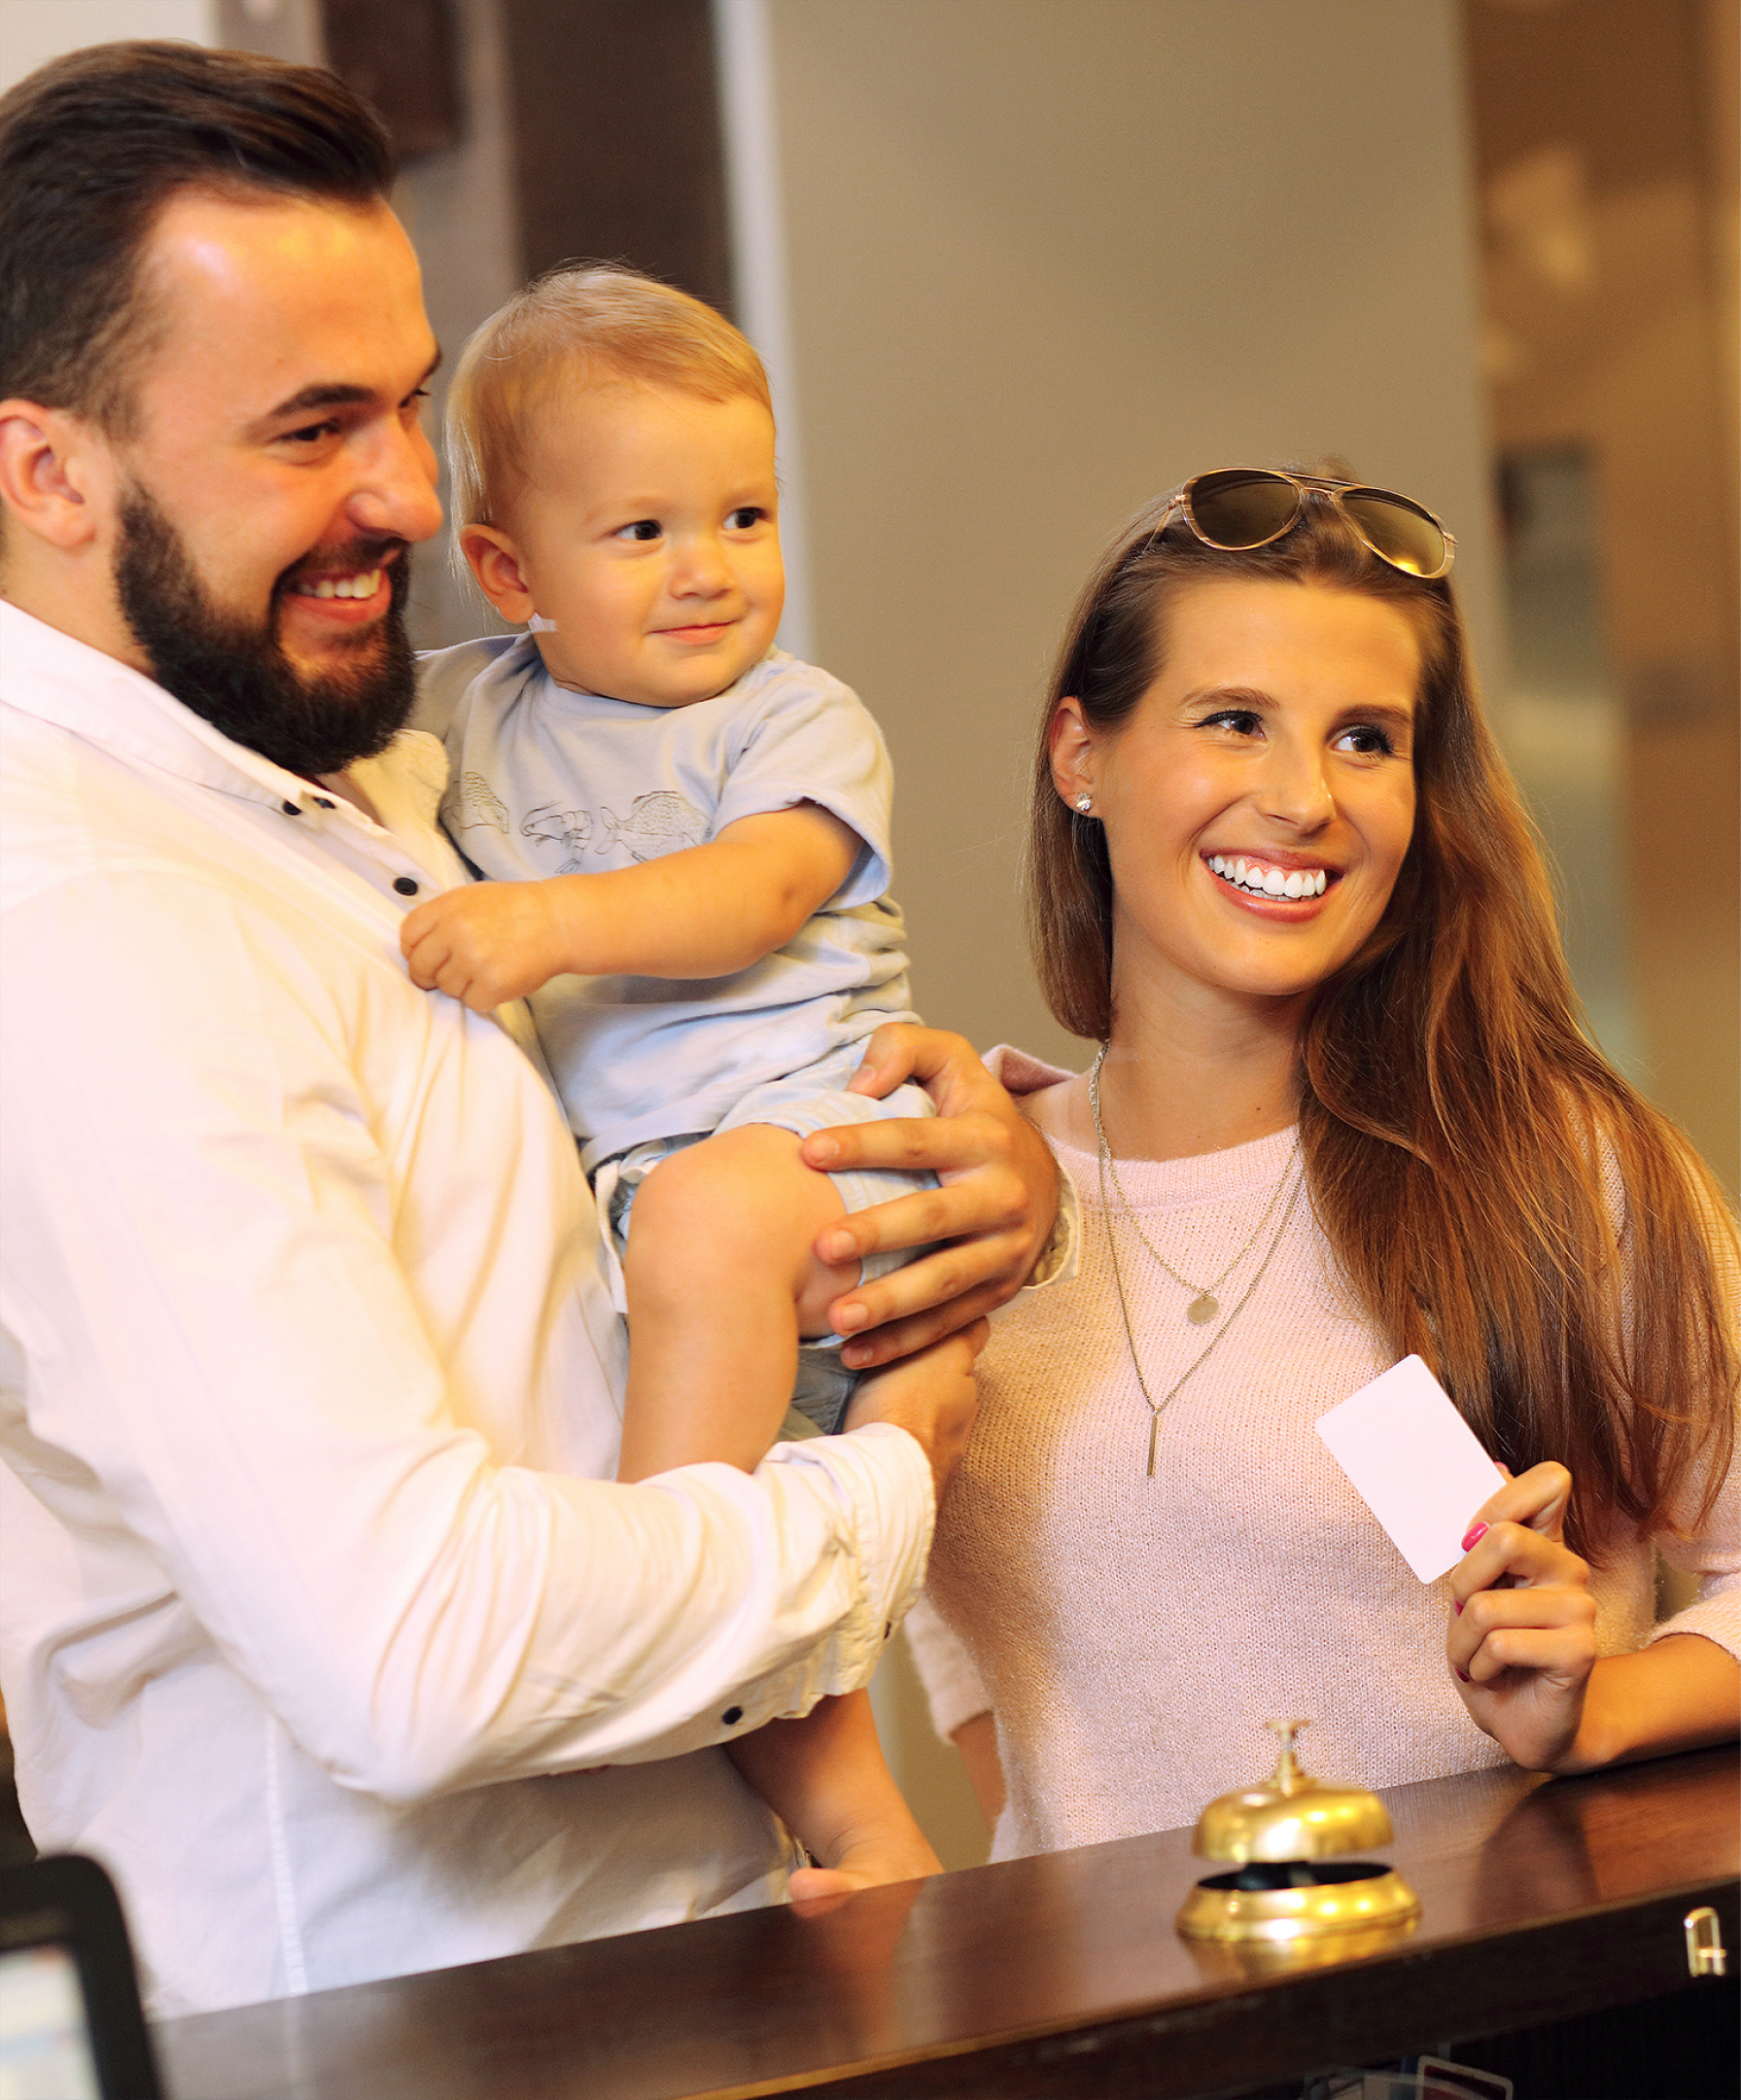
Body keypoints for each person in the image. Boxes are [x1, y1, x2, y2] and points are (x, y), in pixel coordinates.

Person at [0, 43, 1061, 2016]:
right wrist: (881, 1480)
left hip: (670, 1981)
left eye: (406, 405)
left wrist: (961, 1155)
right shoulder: (86, 924)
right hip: (410, 2041)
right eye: (315, 429)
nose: (407, 494)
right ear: (47, 470)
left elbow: (655, 1100)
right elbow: (421, 1653)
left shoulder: (354, 783)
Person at [905, 468, 1740, 1858]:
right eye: (1234, 721)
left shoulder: (1553, 1172)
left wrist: (1598, 1707)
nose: (1302, 800)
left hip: (1488, 2045)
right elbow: (955, 1630)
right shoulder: (968, 1200)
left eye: (1367, 739)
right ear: (1080, 755)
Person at [401, 262, 953, 1895]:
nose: (708, 571)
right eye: (643, 533)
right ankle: (860, 1829)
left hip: (829, 1160)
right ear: (507, 567)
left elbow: (757, 896)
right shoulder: (460, 716)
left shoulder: (792, 717)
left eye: (744, 518)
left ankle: (668, 1617)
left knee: (704, 1314)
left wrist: (548, 923)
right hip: (664, 1219)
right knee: (742, 1498)